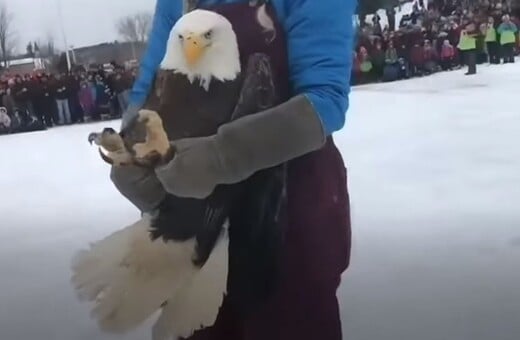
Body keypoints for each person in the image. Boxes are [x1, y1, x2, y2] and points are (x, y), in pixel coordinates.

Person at [111, 0, 354, 339]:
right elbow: (150, 88)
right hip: (193, 222)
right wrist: (136, 156)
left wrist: (220, 157)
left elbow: (324, 100)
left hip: (285, 211)